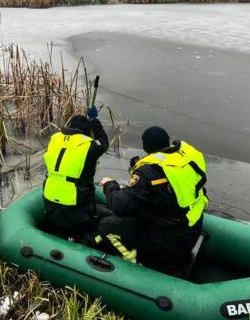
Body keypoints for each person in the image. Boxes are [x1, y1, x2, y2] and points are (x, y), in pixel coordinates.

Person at [98, 126, 209, 272]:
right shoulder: (182, 160)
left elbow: (119, 206)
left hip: (168, 245)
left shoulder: (150, 172)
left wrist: (109, 185)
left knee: (106, 226)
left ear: (145, 146)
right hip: (191, 231)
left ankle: (137, 264)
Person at [42, 107, 110, 240]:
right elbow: (103, 142)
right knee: (84, 225)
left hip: (49, 196)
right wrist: (95, 121)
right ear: (86, 133)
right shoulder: (88, 145)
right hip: (73, 203)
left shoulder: (54, 139)